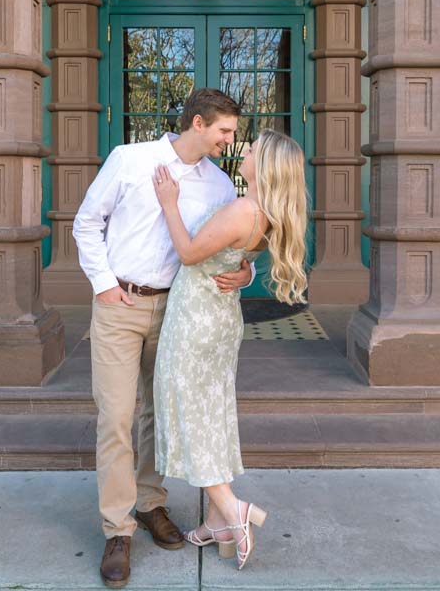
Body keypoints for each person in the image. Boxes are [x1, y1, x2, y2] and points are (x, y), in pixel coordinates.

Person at [72, 88, 255, 589]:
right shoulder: (130, 160)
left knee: (159, 412)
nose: (228, 141)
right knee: (116, 416)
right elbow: (86, 222)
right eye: (224, 131)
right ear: (198, 123)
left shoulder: (218, 185)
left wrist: (247, 274)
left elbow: (227, 247)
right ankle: (117, 529)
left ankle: (151, 504)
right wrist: (105, 287)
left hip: (177, 311)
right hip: (119, 306)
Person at [150, 127, 308, 571]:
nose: (246, 150)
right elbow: (238, 261)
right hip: (219, 320)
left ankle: (232, 507)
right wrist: (245, 274)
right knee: (209, 414)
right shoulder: (266, 216)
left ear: (266, 166)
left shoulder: (243, 209)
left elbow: (187, 252)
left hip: (196, 321)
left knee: (189, 412)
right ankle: (219, 524)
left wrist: (168, 203)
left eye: (254, 149)